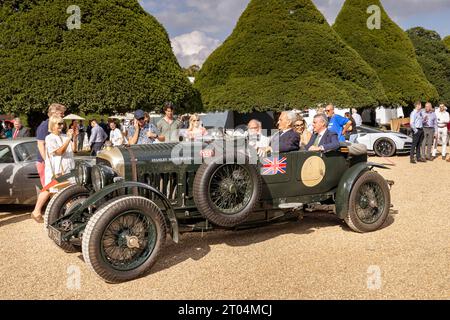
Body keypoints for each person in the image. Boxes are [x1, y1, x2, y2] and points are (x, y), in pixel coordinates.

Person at [31, 116, 76, 223]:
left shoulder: (65, 136)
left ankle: (64, 215)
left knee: (62, 192)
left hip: (68, 169)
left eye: (62, 124)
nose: (61, 126)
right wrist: (69, 139)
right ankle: (42, 213)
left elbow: (74, 149)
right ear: (52, 125)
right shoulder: (49, 138)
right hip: (57, 172)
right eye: (59, 124)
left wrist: (75, 137)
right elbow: (59, 152)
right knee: (55, 191)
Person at [36, 103, 66, 187]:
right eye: (61, 113)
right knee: (48, 188)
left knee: (56, 188)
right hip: (45, 162)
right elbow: (40, 144)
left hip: (55, 162)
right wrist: (47, 162)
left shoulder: (57, 124)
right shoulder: (45, 125)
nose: (63, 115)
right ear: (54, 113)